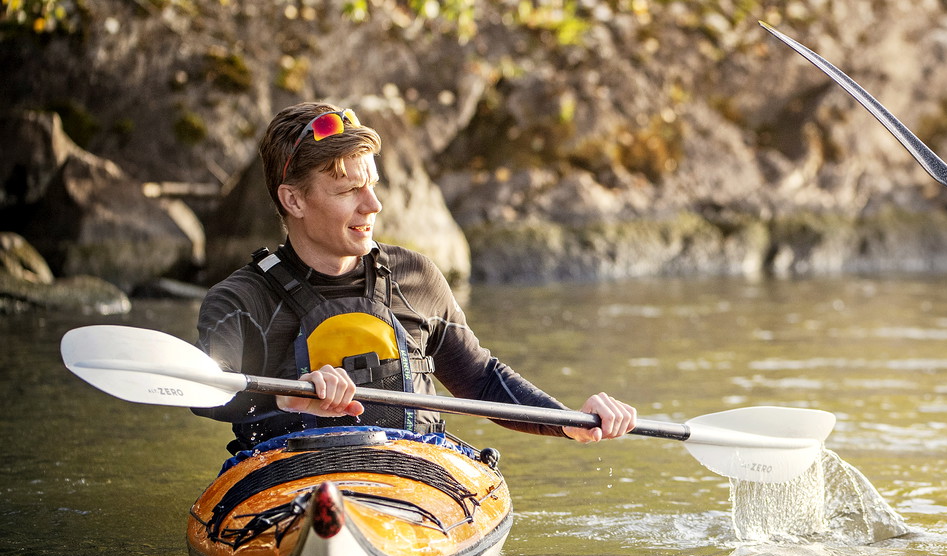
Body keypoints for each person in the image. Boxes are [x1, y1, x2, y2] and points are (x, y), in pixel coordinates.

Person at [195, 101, 637, 453]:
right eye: (349, 190)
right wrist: (282, 398)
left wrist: (570, 423)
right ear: (293, 200)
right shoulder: (239, 299)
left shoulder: (415, 277)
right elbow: (203, 392)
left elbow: (480, 381)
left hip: (413, 478)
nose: (373, 205)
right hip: (291, 484)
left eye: (372, 185)